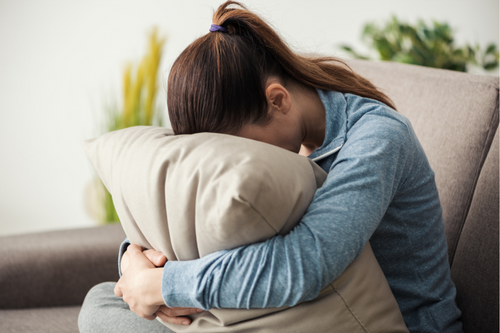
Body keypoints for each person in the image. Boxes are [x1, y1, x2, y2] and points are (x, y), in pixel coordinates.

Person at [79, 1, 463, 332]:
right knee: (102, 301)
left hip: (383, 322)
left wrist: (165, 286)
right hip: (294, 310)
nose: (237, 168)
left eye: (240, 152)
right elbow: (195, 212)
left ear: (277, 100)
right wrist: (134, 259)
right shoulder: (289, 138)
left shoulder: (378, 138)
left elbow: (308, 261)